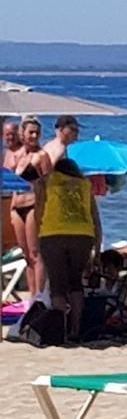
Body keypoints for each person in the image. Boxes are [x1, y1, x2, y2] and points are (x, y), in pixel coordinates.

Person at [30, 157, 101, 342]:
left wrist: (37, 237)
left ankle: (60, 330)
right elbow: (95, 217)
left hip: (53, 234)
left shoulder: (44, 182)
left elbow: (39, 211)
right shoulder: (85, 184)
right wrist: (98, 248)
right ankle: (76, 329)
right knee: (75, 283)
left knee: (57, 286)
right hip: (83, 235)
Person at [4, 118, 43, 297]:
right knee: (26, 255)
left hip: (32, 204)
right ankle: (32, 296)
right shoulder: (13, 154)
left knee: (35, 254)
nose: (34, 136)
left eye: (37, 133)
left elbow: (47, 183)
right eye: (30, 132)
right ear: (23, 134)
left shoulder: (40, 155)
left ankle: (39, 296)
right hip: (16, 206)